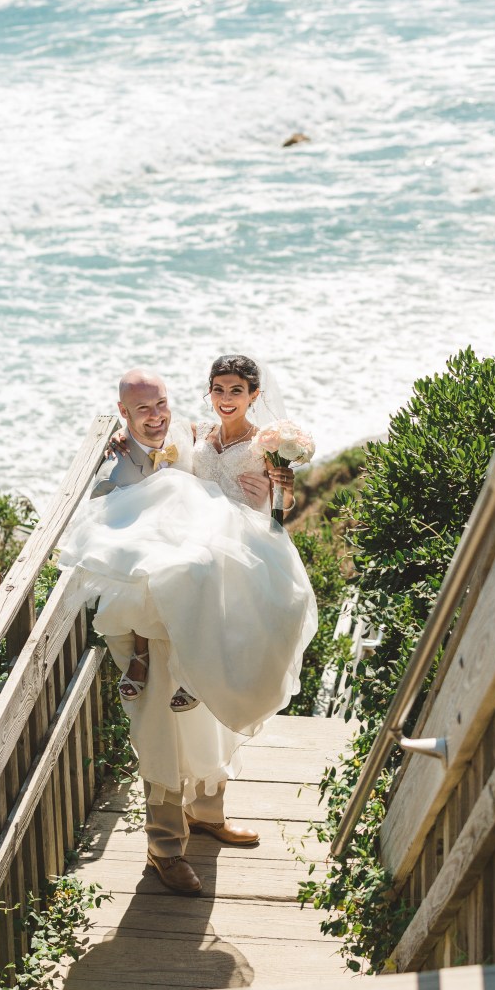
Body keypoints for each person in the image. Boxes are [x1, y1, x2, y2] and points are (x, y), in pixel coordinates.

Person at [59, 360, 316, 896]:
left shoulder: (195, 436)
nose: (155, 417)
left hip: (219, 597)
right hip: (162, 609)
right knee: (161, 728)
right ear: (124, 414)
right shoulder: (136, 458)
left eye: (161, 405)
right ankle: (164, 848)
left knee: (210, 711)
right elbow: (124, 511)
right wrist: (115, 440)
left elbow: (278, 508)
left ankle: (207, 812)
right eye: (141, 409)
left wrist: (280, 487)